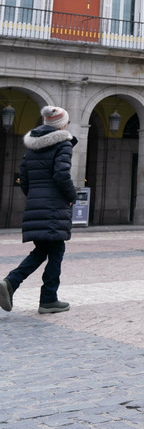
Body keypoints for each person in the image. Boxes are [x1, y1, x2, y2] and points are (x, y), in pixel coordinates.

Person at [0, 106, 78, 315]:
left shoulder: (32, 146)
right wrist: (71, 196)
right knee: (56, 250)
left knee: (43, 250)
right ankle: (48, 299)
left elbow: (23, 178)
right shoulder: (63, 143)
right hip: (54, 206)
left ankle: (11, 282)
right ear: (62, 124)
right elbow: (62, 174)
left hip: (36, 204)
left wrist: (35, 196)